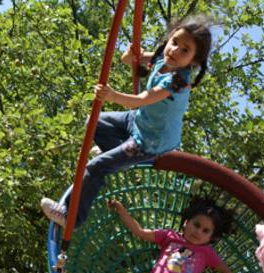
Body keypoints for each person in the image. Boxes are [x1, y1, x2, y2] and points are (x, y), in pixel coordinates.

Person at [40, 15, 213, 228]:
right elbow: (129, 60)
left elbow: (141, 100)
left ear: (194, 61)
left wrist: (112, 96)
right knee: (93, 122)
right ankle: (115, 153)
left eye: (185, 50)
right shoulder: (162, 59)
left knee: (96, 167)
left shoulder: (177, 82)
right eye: (174, 42)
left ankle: (71, 217)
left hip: (150, 142)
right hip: (139, 121)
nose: (175, 50)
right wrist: (130, 55)